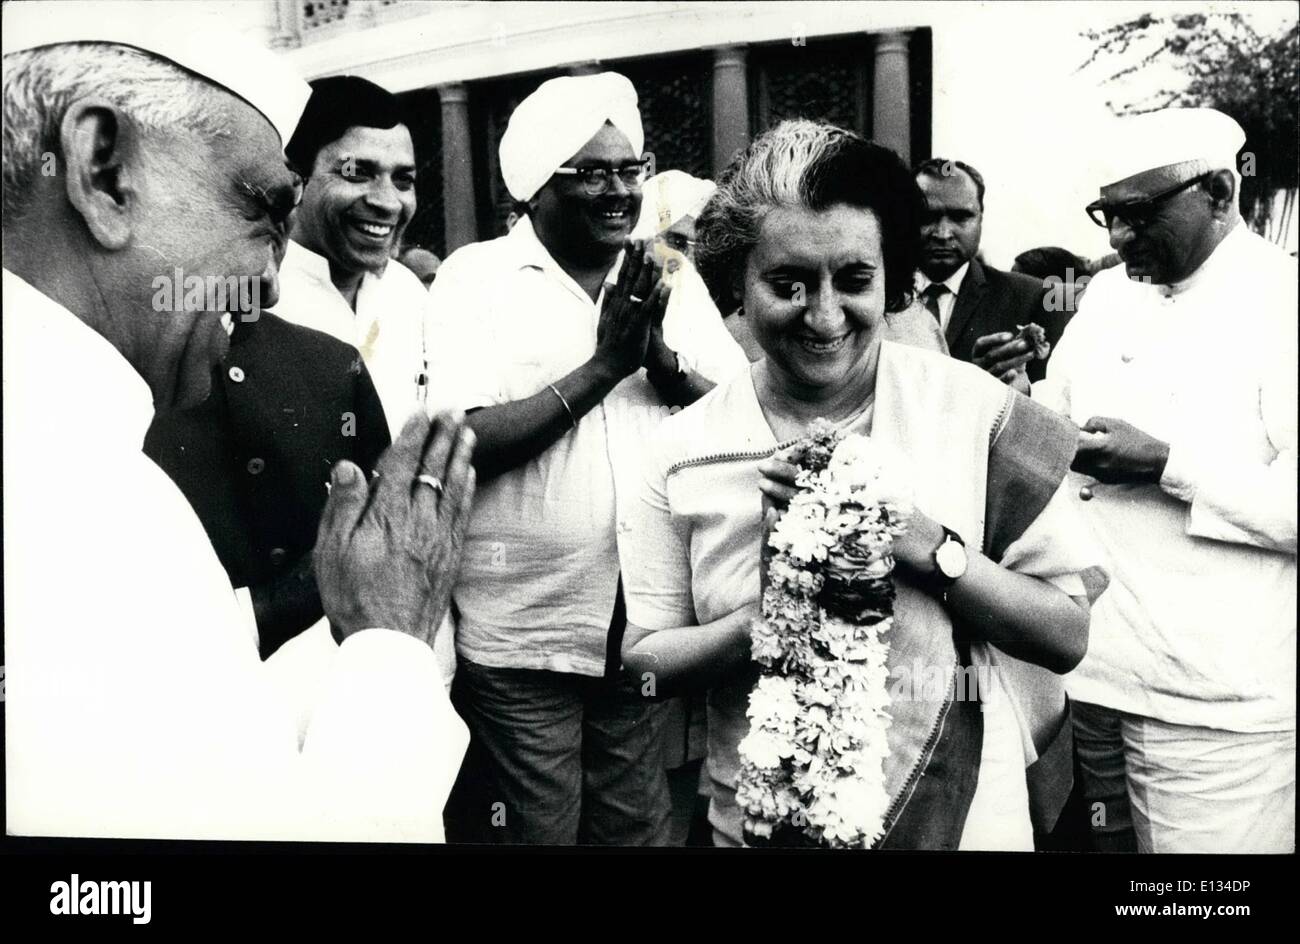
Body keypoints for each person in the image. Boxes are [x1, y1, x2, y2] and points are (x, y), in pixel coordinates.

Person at [2, 3, 472, 842]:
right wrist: (391, 644)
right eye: (259, 210)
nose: (272, 284)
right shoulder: (78, 497)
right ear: (103, 171)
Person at [620, 120, 1106, 849]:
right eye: (787, 283)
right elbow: (647, 661)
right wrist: (775, 620)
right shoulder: (681, 449)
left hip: (965, 813)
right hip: (764, 817)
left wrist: (928, 549)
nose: (823, 316)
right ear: (735, 288)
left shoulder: (974, 409)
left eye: (854, 280)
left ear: (894, 279)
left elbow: (1067, 635)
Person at [427, 72, 748, 845]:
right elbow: (466, 437)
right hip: (524, 634)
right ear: (536, 187)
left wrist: (664, 367)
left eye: (629, 170)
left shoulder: (664, 271)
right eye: (592, 172)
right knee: (537, 833)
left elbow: (737, 419)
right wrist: (605, 367)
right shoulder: (477, 278)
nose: (617, 191)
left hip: (639, 626)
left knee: (636, 831)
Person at [1036, 107, 1297, 853]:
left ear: (1219, 192)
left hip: (1217, 706)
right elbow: (1056, 414)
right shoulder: (1112, 295)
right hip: (1095, 678)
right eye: (1107, 215)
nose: (1117, 239)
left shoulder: (1283, 299)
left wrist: (1167, 465)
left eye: (1139, 215)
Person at [144, 305, 391, 661]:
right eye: (258, 242)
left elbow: (380, 531)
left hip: (326, 674)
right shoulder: (120, 366)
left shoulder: (335, 362)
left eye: (276, 243)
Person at [277, 75, 432, 441]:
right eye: (357, 173)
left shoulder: (406, 292)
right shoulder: (252, 295)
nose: (387, 201)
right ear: (295, 178)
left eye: (403, 180)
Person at [914, 158, 1066, 390]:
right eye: (926, 216)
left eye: (960, 217)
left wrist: (1021, 389)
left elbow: (1054, 400)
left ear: (980, 218)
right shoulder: (878, 295)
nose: (943, 233)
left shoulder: (1033, 298)